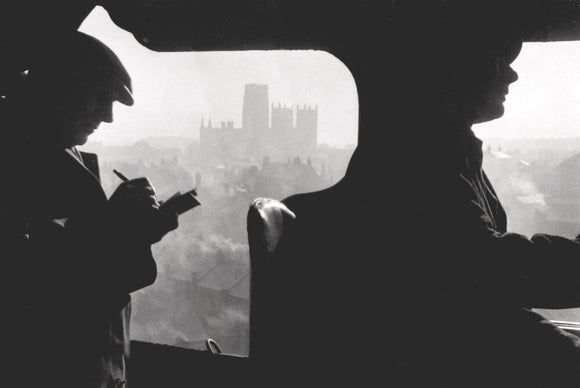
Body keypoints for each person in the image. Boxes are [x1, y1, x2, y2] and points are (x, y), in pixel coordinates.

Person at [263, 5, 580, 387]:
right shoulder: (419, 154)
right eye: (497, 59)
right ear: (457, 69)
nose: (512, 74)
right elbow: (484, 268)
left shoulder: (441, 146)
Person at [12, 31, 178, 387]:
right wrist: (114, 225)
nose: (109, 116)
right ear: (58, 90)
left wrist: (135, 231)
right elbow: (28, 282)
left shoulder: (60, 154)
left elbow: (90, 264)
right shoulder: (14, 161)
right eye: (100, 98)